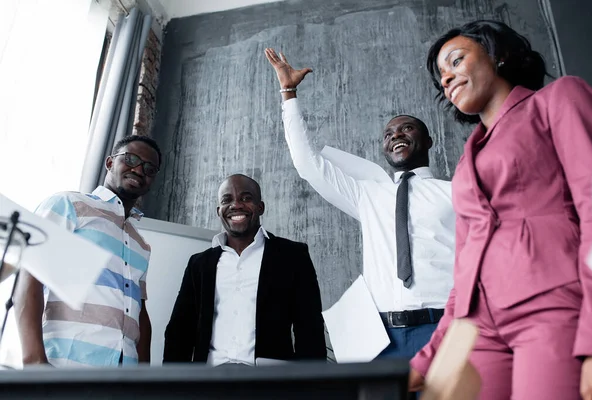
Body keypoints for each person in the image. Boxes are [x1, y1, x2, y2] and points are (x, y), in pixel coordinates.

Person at [408, 20, 592, 400]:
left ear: (499, 55)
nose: (446, 79)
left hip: (553, 305)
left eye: (456, 61)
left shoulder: (558, 99)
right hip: (475, 327)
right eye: (441, 78)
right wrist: (428, 359)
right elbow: (464, 268)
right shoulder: (465, 165)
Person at [265, 48, 455, 359]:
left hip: (444, 331)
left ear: (428, 140)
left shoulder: (455, 192)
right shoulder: (367, 195)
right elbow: (307, 163)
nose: (396, 135)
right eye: (388, 133)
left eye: (407, 128)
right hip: (382, 339)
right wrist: (289, 93)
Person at [15, 135, 162, 367]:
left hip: (124, 379)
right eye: (131, 159)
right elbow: (29, 276)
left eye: (149, 168)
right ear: (110, 163)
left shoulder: (141, 244)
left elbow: (140, 313)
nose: (139, 169)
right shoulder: (69, 205)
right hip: (66, 369)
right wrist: (34, 361)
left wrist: (144, 380)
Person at [163, 174, 326, 365]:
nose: (236, 205)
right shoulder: (199, 264)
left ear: (260, 207)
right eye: (227, 200)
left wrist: (310, 388)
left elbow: (309, 328)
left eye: (246, 198)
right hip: (209, 384)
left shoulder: (292, 256)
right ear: (219, 211)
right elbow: (179, 331)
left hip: (268, 385)